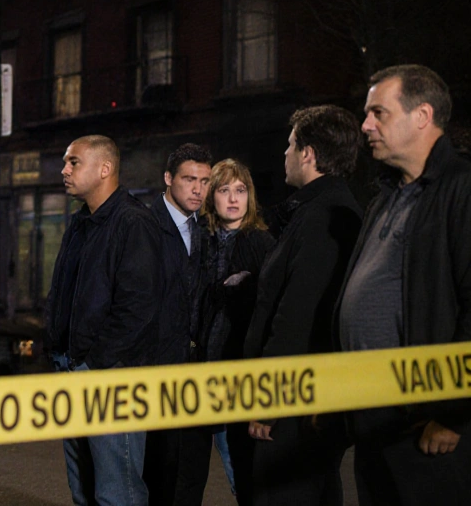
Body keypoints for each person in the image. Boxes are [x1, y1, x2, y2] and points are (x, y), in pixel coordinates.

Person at [334, 64, 470, 505]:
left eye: (379, 113)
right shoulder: (384, 199)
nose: (365, 125)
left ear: (422, 116)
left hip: (428, 429)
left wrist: (453, 416)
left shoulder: (461, 190)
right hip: (374, 421)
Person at [244, 105, 363, 506]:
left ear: (308, 154)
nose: (285, 153)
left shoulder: (322, 216)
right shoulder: (320, 209)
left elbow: (298, 314)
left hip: (297, 402)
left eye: (291, 145)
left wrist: (270, 398)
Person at [45, 135, 164, 506]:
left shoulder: (133, 223)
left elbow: (138, 308)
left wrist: (94, 362)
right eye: (65, 162)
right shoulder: (81, 223)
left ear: (105, 169)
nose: (64, 171)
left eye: (74, 162)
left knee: (118, 491)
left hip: (111, 376)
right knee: (83, 488)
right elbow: (64, 293)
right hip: (73, 368)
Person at [198, 159, 276, 506]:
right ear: (211, 196)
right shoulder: (205, 241)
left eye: (241, 190)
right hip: (206, 370)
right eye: (225, 190)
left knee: (244, 473)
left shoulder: (260, 243)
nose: (233, 198)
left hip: (240, 373)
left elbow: (270, 316)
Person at [145, 143, 213, 506]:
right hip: (156, 370)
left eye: (205, 181)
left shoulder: (208, 228)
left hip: (198, 373)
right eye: (189, 179)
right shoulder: (144, 225)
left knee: (191, 474)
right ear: (169, 179)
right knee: (159, 473)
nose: (198, 189)